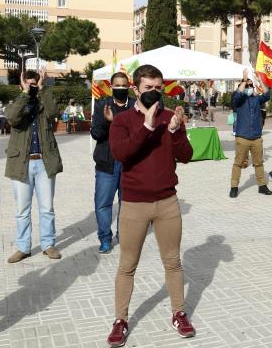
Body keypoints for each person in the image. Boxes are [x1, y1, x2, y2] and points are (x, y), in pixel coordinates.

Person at [106, 64, 195, 346]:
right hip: (134, 205)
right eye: (148, 88)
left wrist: (176, 131)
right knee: (127, 265)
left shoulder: (170, 117)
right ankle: (120, 319)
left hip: (167, 202)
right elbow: (121, 153)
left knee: (173, 262)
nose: (154, 93)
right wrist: (147, 125)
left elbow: (186, 156)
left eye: (159, 88)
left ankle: (178, 312)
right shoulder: (122, 121)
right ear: (135, 89)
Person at [5, 69, 64, 263]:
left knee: (47, 208)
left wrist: (43, 88)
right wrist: (24, 93)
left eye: (33, 84)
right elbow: (12, 118)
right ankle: (23, 247)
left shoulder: (43, 104)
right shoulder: (16, 104)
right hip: (21, 163)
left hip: (44, 162)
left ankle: (48, 244)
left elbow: (55, 112)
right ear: (21, 85)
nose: (31, 87)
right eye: (28, 84)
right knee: (22, 210)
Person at [91, 72, 134, 254]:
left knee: (127, 204)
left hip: (129, 164)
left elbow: (137, 133)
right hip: (106, 163)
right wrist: (107, 123)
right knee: (103, 204)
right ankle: (105, 239)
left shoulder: (135, 105)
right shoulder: (102, 104)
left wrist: (113, 121)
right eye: (117, 85)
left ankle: (123, 236)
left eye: (124, 86)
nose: (121, 89)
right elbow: (96, 134)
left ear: (129, 86)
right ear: (111, 86)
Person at [229, 70, 272, 198]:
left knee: (259, 163)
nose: (249, 88)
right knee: (238, 163)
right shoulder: (238, 101)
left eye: (250, 86)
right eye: (247, 86)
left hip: (256, 138)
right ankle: (234, 187)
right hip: (242, 137)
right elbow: (237, 94)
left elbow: (267, 94)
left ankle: (262, 186)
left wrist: (260, 80)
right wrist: (244, 80)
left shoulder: (256, 99)